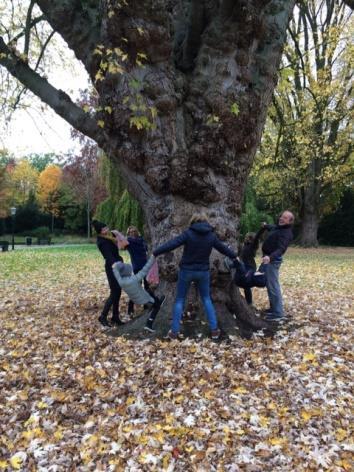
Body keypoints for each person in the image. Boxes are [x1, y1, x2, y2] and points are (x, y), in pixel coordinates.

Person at [153, 212, 237, 340]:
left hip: (186, 271)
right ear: (206, 222)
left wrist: (156, 252)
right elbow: (223, 248)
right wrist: (234, 256)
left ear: (193, 222)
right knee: (207, 299)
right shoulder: (211, 236)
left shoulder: (188, 233)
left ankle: (174, 332)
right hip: (203, 272)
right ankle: (214, 330)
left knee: (180, 299)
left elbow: (172, 244)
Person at [112, 256, 165, 332]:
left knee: (149, 292)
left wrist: (115, 266)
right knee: (157, 306)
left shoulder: (120, 281)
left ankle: (155, 300)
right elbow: (145, 269)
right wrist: (152, 257)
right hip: (144, 299)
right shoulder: (134, 279)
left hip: (135, 299)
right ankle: (149, 324)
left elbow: (116, 272)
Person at [261, 210, 294, 321]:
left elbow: (281, 249)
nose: (281, 218)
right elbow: (273, 227)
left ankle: (278, 313)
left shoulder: (286, 233)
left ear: (289, 221)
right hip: (268, 259)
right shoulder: (279, 228)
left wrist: (270, 257)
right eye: (281, 216)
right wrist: (266, 226)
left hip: (272, 261)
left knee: (273, 286)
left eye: (285, 218)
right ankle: (274, 308)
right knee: (270, 285)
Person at [92, 220, 124, 327]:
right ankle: (103, 316)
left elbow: (122, 245)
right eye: (105, 228)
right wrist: (116, 265)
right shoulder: (102, 242)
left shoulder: (109, 238)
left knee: (118, 291)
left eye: (107, 227)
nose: (107, 229)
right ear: (100, 231)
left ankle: (115, 316)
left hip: (117, 265)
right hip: (112, 267)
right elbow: (108, 256)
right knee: (115, 292)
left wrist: (118, 234)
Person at [124, 226, 154, 316]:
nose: (133, 233)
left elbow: (146, 248)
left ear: (137, 231)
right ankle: (130, 309)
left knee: (147, 286)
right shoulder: (128, 242)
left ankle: (146, 305)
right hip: (137, 267)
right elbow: (123, 245)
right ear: (128, 234)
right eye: (131, 232)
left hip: (145, 265)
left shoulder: (141, 240)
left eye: (134, 231)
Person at [238, 229, 266, 305]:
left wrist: (262, 228)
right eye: (246, 237)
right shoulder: (244, 245)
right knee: (244, 284)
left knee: (246, 284)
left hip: (250, 267)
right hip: (244, 266)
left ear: (251, 239)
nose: (246, 238)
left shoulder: (252, 246)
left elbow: (257, 237)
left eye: (248, 237)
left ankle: (249, 303)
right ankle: (249, 302)